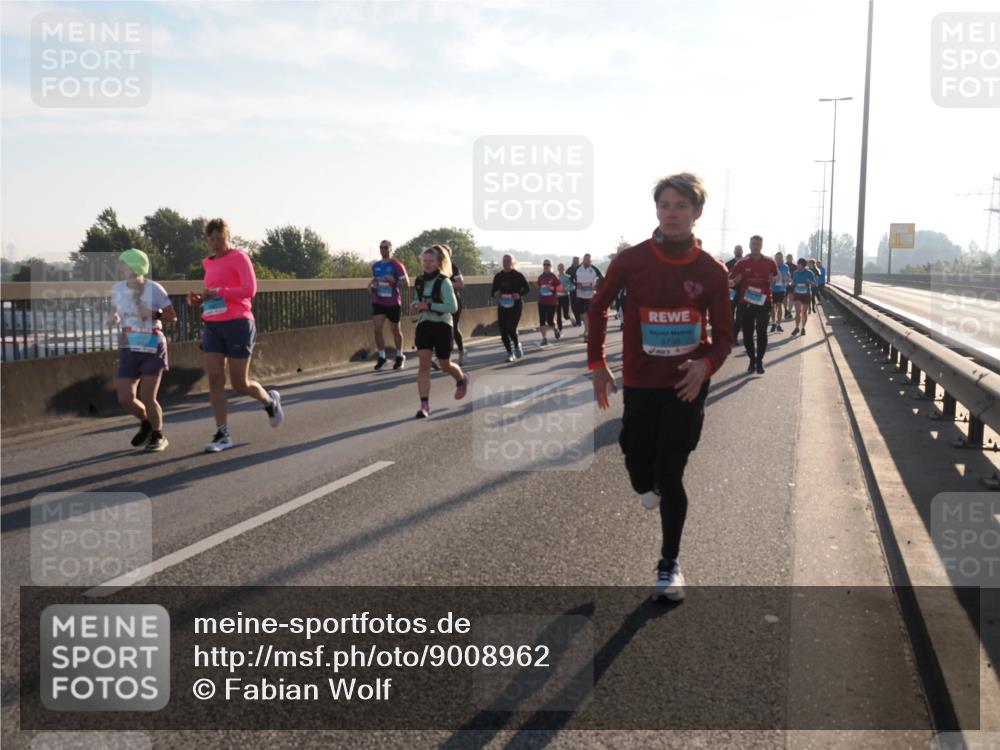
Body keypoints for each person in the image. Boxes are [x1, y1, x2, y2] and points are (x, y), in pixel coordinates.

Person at [589, 172, 732, 602]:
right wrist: (597, 363)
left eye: (681, 206)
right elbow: (596, 310)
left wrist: (706, 365)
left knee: (671, 472)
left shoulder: (712, 271)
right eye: (665, 205)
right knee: (636, 458)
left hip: (686, 385)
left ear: (697, 213)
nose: (671, 213)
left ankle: (669, 565)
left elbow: (725, 334)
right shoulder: (631, 261)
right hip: (640, 380)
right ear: (656, 210)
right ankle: (644, 485)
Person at [188, 218, 283, 453]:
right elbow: (215, 292)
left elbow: (249, 290)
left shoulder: (239, 257)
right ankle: (222, 433)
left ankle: (269, 402)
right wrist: (201, 299)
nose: (216, 244)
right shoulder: (208, 263)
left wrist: (221, 292)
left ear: (228, 237)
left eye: (220, 239)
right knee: (214, 379)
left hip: (238, 322)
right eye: (212, 239)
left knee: (239, 383)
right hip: (212, 323)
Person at [109, 249, 175, 452]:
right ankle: (146, 422)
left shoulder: (154, 289)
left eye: (124, 264)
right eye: (120, 264)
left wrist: (153, 313)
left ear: (136, 267)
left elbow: (172, 316)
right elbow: (115, 311)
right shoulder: (118, 288)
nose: (120, 268)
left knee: (148, 397)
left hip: (152, 345)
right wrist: (114, 318)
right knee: (125, 398)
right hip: (129, 345)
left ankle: (158, 435)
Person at [411, 244, 468, 418]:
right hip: (424, 325)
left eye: (430, 261)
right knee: (423, 365)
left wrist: (428, 305)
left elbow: (452, 307)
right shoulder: (419, 281)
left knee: (444, 364)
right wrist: (415, 306)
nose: (427, 264)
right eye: (424, 261)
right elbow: (417, 300)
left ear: (438, 263)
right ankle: (424, 405)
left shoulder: (444, 282)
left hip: (443, 326)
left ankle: (461, 378)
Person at [729, 235, 780, 375]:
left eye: (758, 244)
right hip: (746, 303)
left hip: (764, 302)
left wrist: (773, 279)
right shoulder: (742, 262)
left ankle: (759, 361)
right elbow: (733, 280)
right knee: (747, 334)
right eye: (753, 243)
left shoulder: (769, 262)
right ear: (750, 245)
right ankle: (752, 360)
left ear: (761, 245)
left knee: (762, 331)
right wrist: (733, 282)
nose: (756, 246)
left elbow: (777, 277)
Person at [369, 240, 410, 371]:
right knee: (377, 329)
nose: (383, 250)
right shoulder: (376, 266)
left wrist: (395, 282)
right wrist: (371, 287)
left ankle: (399, 356)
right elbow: (375, 281)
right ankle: (382, 357)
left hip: (393, 302)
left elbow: (406, 283)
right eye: (381, 247)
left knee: (395, 330)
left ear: (391, 249)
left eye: (386, 247)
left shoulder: (397, 265)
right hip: (379, 301)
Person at [491, 255, 530, 362]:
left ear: (512, 262)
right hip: (503, 306)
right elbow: (492, 292)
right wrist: (496, 293)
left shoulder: (518, 275)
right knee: (503, 331)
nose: (506, 262)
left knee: (511, 329)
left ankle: (517, 345)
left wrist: (519, 294)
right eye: (504, 260)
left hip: (516, 306)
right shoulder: (498, 276)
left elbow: (527, 289)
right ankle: (509, 353)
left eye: (508, 261)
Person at [574, 253, 603, 343]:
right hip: (580, 295)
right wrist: (577, 285)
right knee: (582, 315)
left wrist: (596, 286)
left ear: (591, 261)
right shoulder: (578, 269)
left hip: (590, 296)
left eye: (588, 260)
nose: (586, 261)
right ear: (583, 260)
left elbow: (602, 278)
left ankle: (587, 333)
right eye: (585, 260)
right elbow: (572, 279)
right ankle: (588, 329)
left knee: (586, 315)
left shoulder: (594, 269)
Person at [791, 258, 819, 336]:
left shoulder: (809, 273)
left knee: (804, 312)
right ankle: (797, 327)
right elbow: (793, 282)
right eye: (797, 264)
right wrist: (791, 283)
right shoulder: (795, 273)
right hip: (797, 293)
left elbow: (815, 284)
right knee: (797, 311)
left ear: (802, 265)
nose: (797, 265)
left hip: (806, 294)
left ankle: (803, 328)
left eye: (798, 264)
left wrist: (809, 282)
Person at [536, 260, 561, 346]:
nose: (546, 266)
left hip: (552, 302)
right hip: (542, 301)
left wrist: (552, 288)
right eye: (545, 264)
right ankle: (544, 338)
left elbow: (560, 288)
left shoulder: (554, 276)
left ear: (551, 266)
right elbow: (539, 288)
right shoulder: (540, 277)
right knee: (542, 320)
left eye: (548, 264)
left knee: (550, 321)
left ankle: (555, 329)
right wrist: (538, 288)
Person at [725, 245, 744, 345]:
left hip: (742, 292)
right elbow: (723, 277)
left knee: (740, 315)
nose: (738, 251)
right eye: (736, 250)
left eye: (740, 250)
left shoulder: (745, 263)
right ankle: (730, 335)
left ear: (742, 251)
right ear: (734, 251)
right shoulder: (728, 264)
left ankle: (735, 337)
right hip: (731, 292)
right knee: (730, 315)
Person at [769, 251, 788, 333]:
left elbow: (787, 277)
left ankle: (779, 324)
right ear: (775, 258)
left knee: (780, 306)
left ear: (782, 258)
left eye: (780, 258)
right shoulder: (771, 266)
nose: (778, 259)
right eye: (777, 258)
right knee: (772, 307)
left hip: (781, 289)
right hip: (772, 289)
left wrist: (786, 279)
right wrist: (772, 280)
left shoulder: (785, 267)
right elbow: (769, 276)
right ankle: (773, 323)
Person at [556, 262, 573, 336]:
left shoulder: (567, 277)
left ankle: (571, 319)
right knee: (558, 315)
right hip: (557, 298)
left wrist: (566, 289)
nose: (560, 269)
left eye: (562, 268)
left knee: (566, 315)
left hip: (565, 297)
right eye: (559, 268)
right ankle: (560, 330)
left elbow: (572, 286)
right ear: (558, 269)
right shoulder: (556, 277)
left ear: (564, 269)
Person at [567, 256, 582, 326]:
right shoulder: (569, 270)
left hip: (581, 289)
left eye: (577, 260)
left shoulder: (582, 269)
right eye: (575, 260)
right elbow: (566, 279)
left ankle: (580, 319)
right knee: (574, 305)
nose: (576, 262)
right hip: (572, 290)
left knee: (580, 305)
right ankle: (578, 320)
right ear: (573, 261)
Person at [784, 254, 797, 320]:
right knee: (785, 299)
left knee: (791, 298)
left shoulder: (795, 266)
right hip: (785, 284)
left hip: (792, 284)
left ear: (792, 258)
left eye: (790, 258)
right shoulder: (784, 266)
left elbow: (797, 275)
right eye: (788, 258)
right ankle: (786, 311)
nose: (789, 259)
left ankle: (789, 312)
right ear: (786, 258)